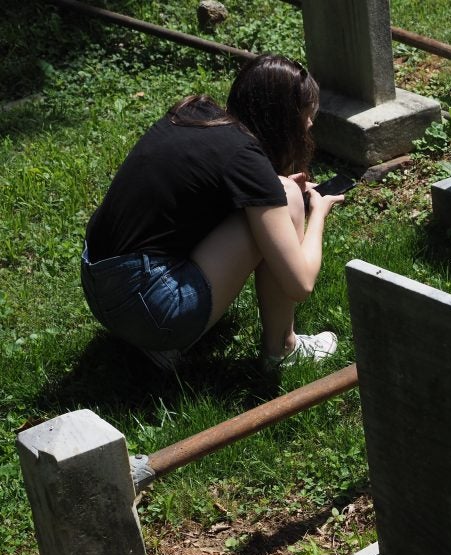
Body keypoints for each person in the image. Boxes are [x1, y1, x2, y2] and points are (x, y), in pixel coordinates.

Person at [81, 54, 343, 371]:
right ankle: (283, 350)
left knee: (277, 194)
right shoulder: (246, 159)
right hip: (148, 309)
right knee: (287, 199)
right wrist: (318, 213)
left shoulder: (195, 114)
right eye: (306, 117)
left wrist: (268, 186)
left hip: (101, 287)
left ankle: (158, 341)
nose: (310, 124)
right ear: (286, 120)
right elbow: (299, 285)